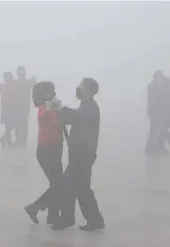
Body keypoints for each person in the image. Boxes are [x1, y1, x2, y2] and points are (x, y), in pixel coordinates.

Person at [50, 78, 105, 231]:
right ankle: (94, 220)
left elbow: (75, 117)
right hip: (80, 153)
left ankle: (68, 219)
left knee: (69, 185)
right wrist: (59, 109)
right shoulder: (85, 106)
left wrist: (60, 107)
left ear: (89, 90)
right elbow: (70, 119)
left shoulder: (91, 108)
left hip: (83, 154)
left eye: (81, 87)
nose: (78, 89)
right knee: (81, 188)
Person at [24, 81, 64, 225]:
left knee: (57, 185)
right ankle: (35, 208)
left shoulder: (46, 107)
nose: (54, 94)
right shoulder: (46, 109)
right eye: (52, 92)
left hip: (51, 150)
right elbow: (60, 121)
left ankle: (51, 216)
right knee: (59, 185)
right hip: (48, 152)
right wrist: (58, 107)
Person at [146, 70, 170, 156]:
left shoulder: (168, 86)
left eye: (158, 77)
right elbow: (150, 101)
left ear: (161, 77)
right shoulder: (152, 86)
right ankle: (157, 148)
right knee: (156, 130)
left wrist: (166, 105)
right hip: (155, 113)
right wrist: (149, 111)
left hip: (164, 113)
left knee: (161, 131)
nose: (156, 79)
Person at [13, 66, 36, 147]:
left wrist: (34, 80)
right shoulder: (15, 82)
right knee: (18, 123)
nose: (20, 73)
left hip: (24, 106)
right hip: (16, 106)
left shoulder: (27, 81)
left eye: (22, 71)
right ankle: (18, 139)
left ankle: (23, 140)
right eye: (19, 72)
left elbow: (34, 86)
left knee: (23, 123)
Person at [0, 71, 17, 147]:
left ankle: (8, 141)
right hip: (9, 108)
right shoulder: (9, 85)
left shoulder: (4, 85)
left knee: (9, 126)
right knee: (10, 125)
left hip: (6, 107)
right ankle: (4, 139)